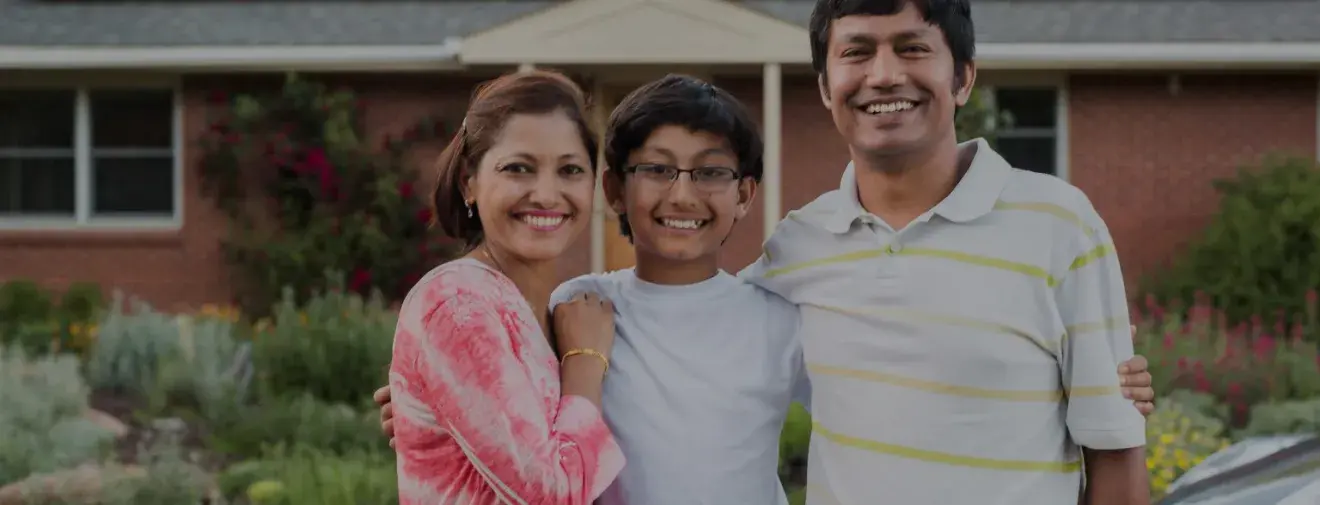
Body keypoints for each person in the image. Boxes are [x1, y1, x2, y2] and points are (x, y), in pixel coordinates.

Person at [376, 73, 1157, 504]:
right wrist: (417, 405)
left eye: (712, 171)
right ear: (615, 187)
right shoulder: (575, 309)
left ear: (745, 194)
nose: (682, 194)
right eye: (656, 168)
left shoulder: (779, 315)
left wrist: (1079, 383)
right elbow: (497, 406)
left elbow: (909, 381)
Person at [735, 0, 1152, 503]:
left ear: (963, 79)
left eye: (913, 48)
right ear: (826, 87)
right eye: (856, 52)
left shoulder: (1060, 225)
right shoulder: (798, 245)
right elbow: (696, 330)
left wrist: (1113, 367)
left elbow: (1114, 450)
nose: (884, 75)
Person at [386, 69, 625, 505]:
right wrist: (585, 362)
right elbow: (552, 495)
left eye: (570, 170)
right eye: (519, 168)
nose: (547, 194)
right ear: (468, 183)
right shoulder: (458, 303)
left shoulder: (551, 311)